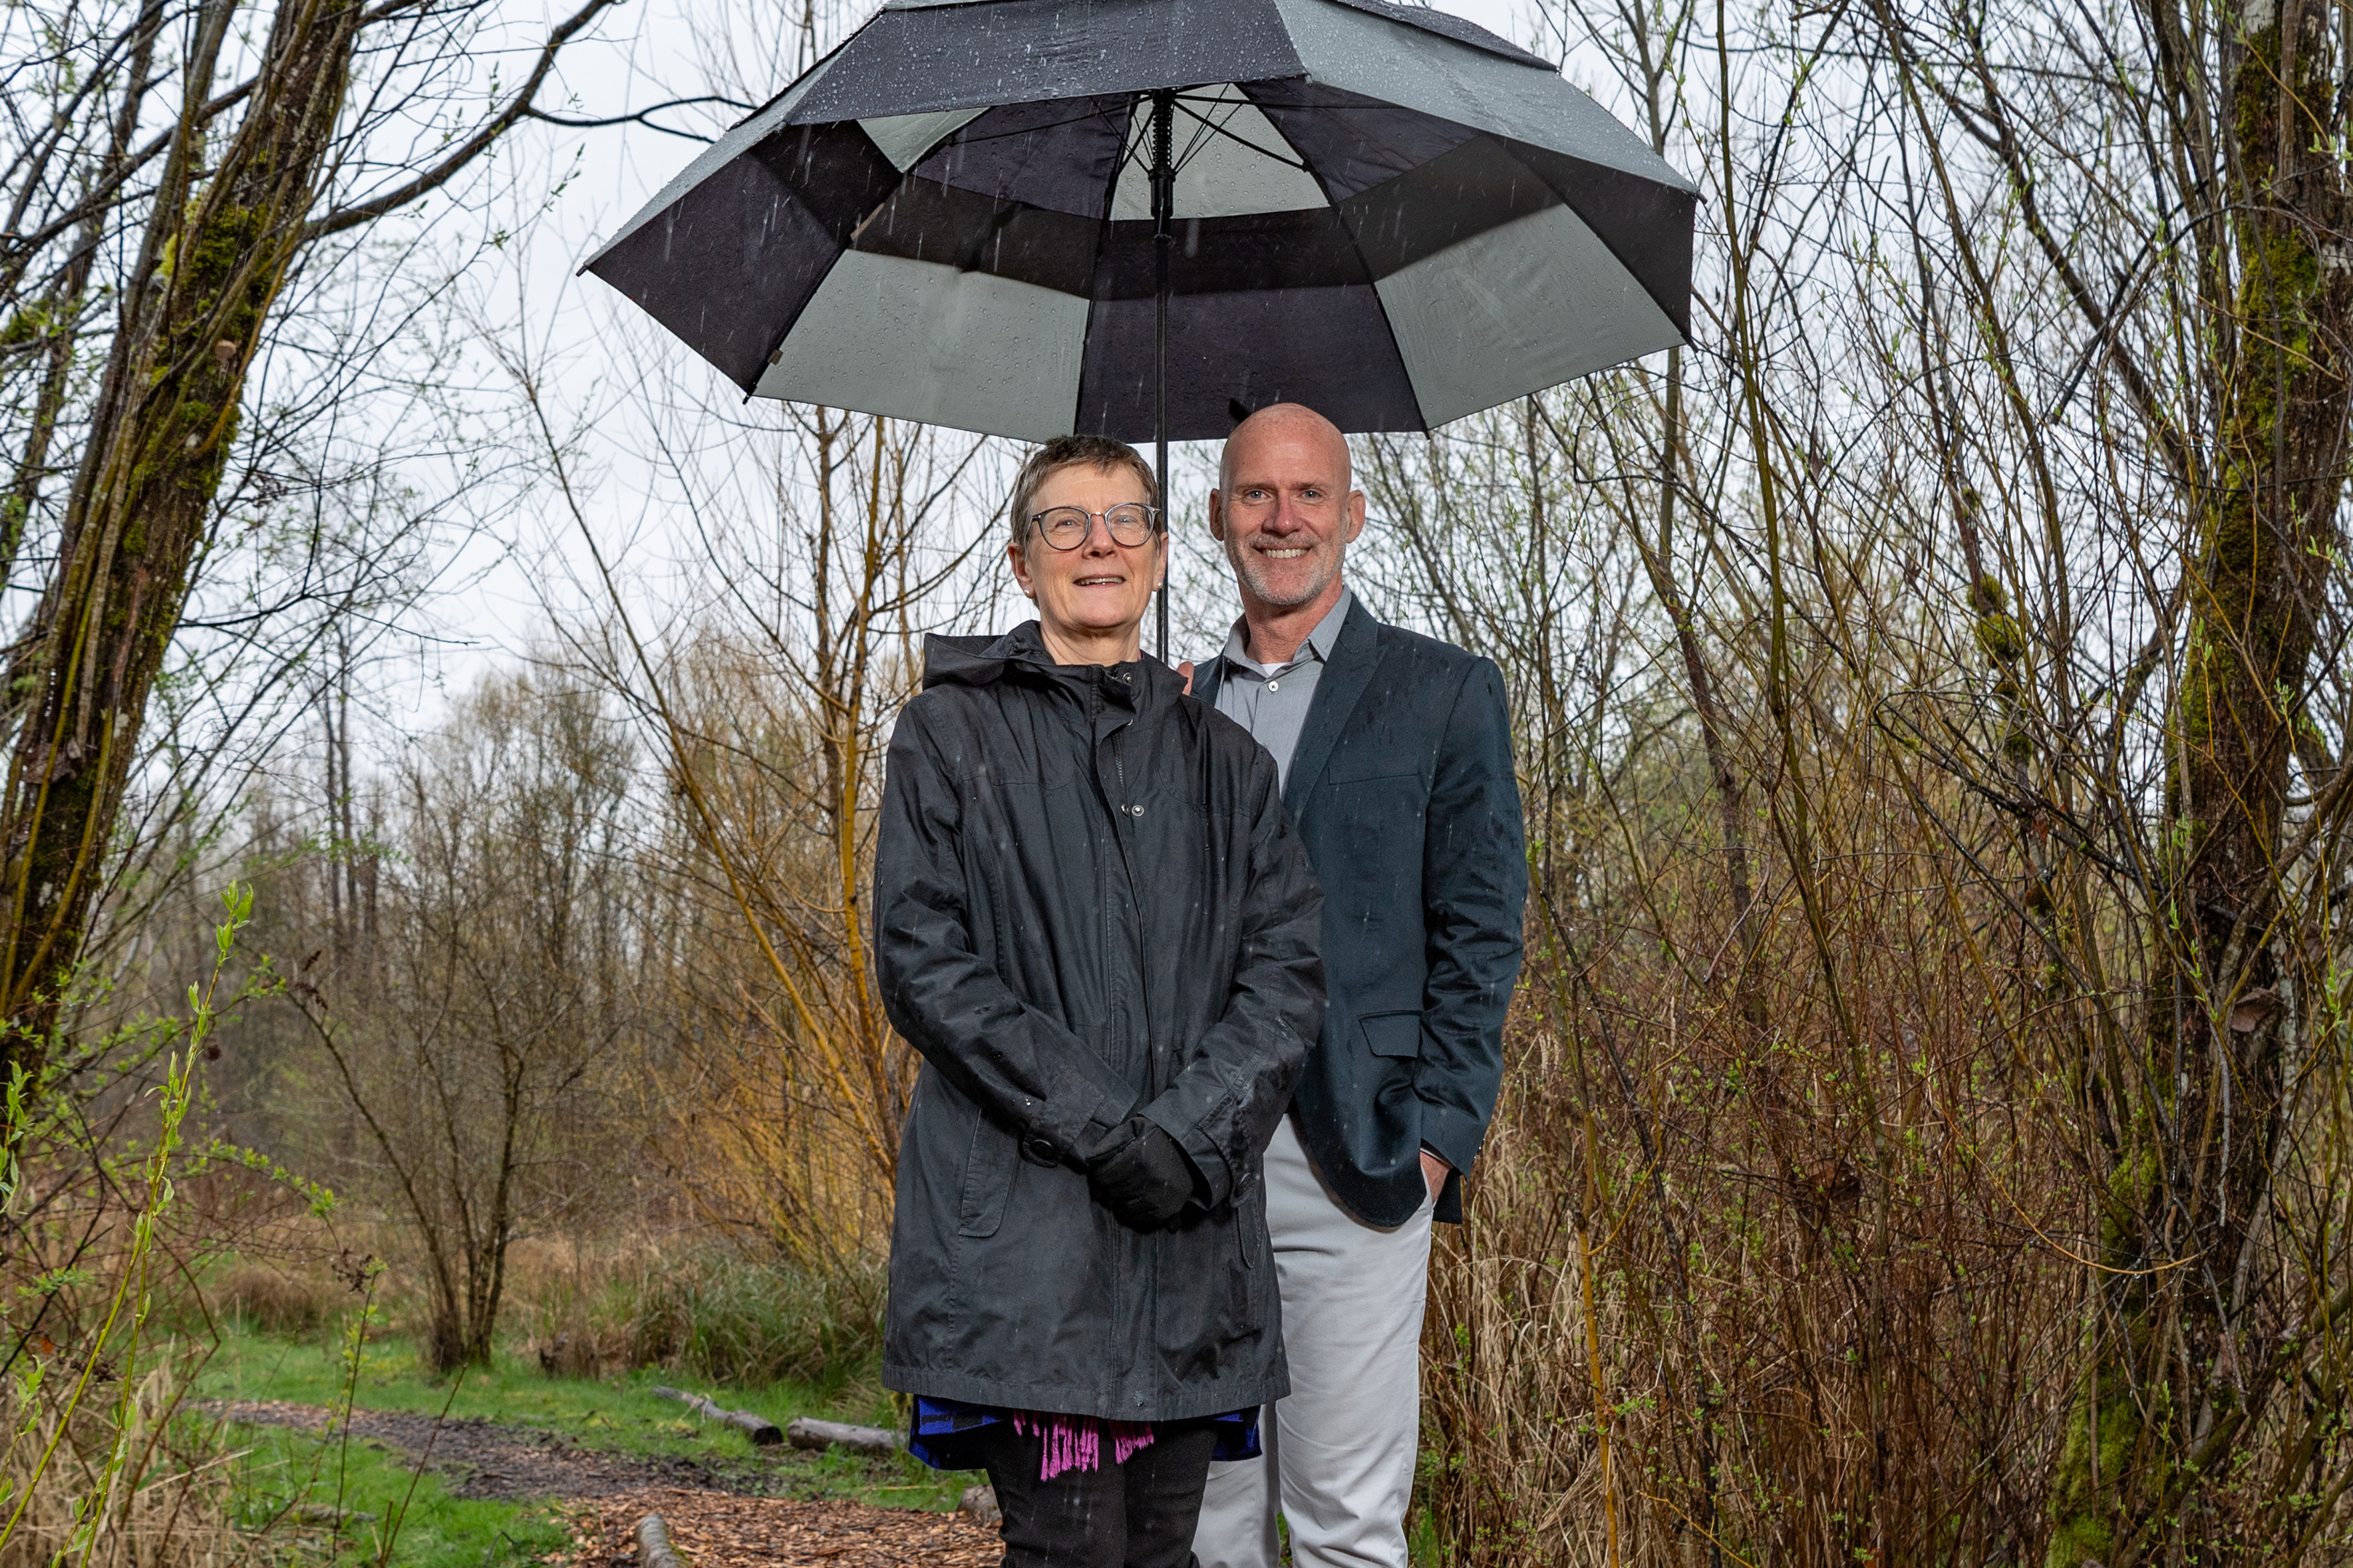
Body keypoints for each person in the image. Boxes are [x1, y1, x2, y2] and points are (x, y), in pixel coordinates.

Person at [874, 434, 1326, 1568]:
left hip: (1188, 1243)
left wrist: (1185, 1137)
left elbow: (1284, 976)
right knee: (1067, 1551)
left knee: (1163, 1554)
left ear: (1162, 555)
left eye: (1126, 521)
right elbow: (923, 962)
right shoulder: (948, 734)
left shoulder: (1229, 765)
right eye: (1065, 523)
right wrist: (1108, 1129)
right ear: (1022, 562)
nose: (1099, 545)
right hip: (1022, 1247)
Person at [1187, 404, 1527, 1568]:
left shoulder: (1443, 692)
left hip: (1360, 1161)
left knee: (1343, 1521)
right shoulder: (1176, 706)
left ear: (1353, 513)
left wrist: (1438, 1135)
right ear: (1216, 516)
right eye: (1255, 494)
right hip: (1192, 1175)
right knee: (1206, 1523)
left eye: (1308, 493)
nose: (1282, 518)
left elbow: (1481, 931)